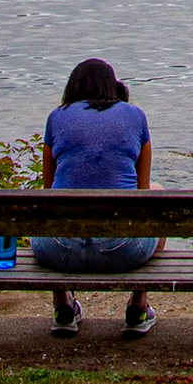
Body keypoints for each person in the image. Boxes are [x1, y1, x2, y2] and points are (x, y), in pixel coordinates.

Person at [38, 57, 158, 339]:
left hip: (59, 251)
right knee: (157, 193)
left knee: (53, 210)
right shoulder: (135, 115)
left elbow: (48, 191)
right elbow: (143, 194)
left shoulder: (56, 117)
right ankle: (138, 306)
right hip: (122, 250)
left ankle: (64, 307)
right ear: (112, 86)